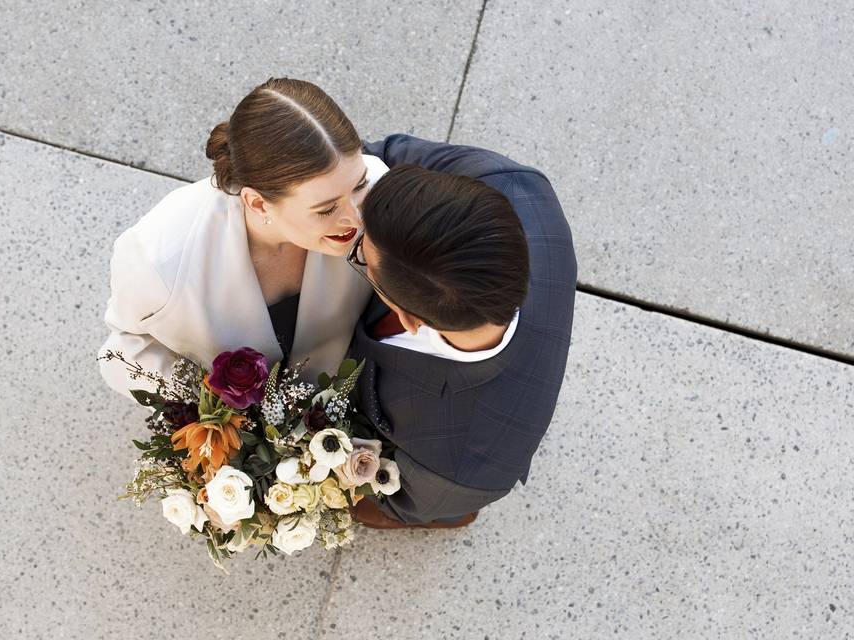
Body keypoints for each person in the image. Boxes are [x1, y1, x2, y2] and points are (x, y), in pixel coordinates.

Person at [98, 78, 388, 396]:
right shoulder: (157, 258)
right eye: (326, 209)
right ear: (258, 202)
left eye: (358, 185)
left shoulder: (378, 191)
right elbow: (125, 349)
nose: (357, 216)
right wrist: (219, 416)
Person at [346, 136, 577, 528]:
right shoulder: (514, 184)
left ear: (408, 318)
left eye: (361, 256)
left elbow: (396, 505)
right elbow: (385, 153)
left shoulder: (463, 462)